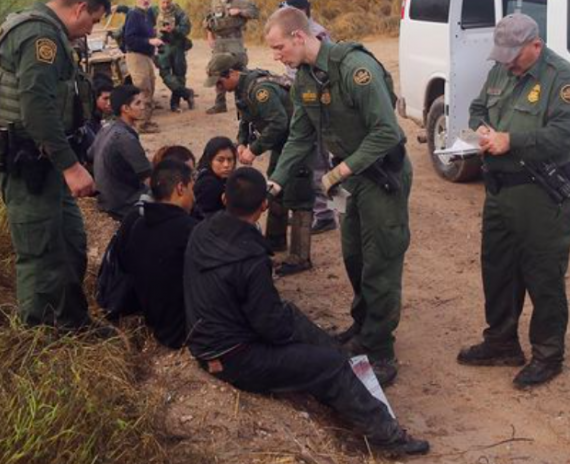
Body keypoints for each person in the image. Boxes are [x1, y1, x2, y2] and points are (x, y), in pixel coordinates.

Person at [182, 167, 429, 457]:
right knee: (328, 365)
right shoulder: (250, 258)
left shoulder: (202, 231)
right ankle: (388, 435)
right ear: (264, 205)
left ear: (224, 199)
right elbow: (270, 326)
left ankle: (345, 360)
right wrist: (300, 339)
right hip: (235, 358)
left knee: (299, 322)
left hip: (206, 342)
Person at [264, 6, 409, 387]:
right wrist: (275, 183)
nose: (276, 56)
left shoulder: (354, 68)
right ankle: (363, 328)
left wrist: (341, 170)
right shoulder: (305, 78)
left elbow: (386, 132)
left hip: (380, 174)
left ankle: (380, 350)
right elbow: (299, 135)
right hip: (350, 177)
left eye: (279, 47)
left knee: (381, 260)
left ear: (299, 36)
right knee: (355, 256)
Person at [457, 13, 570, 389]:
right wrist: (481, 128)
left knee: (543, 273)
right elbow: (479, 106)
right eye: (503, 55)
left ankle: (548, 355)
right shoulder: (502, 70)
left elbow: (564, 135)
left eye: (515, 55)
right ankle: (500, 341)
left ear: (536, 45)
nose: (508, 63)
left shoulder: (563, 81)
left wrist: (511, 140)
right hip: (500, 190)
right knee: (497, 268)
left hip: (540, 194)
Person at [0, 0, 111, 331]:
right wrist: (71, 167)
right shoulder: (41, 37)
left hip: (43, 159)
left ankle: (70, 320)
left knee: (68, 242)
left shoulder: (43, 29)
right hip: (26, 163)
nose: (88, 30)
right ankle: (42, 337)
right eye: (93, 21)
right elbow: (36, 106)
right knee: (41, 252)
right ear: (80, 8)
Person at [206, 52, 314, 274]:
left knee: (299, 193)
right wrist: (241, 143)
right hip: (282, 144)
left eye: (219, 81)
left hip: (298, 141)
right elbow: (245, 119)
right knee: (275, 185)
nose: (218, 87)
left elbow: (279, 124)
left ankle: (300, 257)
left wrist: (254, 150)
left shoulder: (259, 90)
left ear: (232, 73)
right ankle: (274, 242)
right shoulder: (242, 89)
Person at [121, 159, 197, 348]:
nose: (194, 197)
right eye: (192, 190)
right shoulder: (189, 230)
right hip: (181, 330)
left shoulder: (139, 224)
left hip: (152, 319)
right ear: (180, 188)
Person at [279, 0, 337, 235]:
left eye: (287, 11)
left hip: (318, 106)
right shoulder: (296, 31)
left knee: (318, 160)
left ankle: (324, 214)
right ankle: (317, 210)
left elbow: (322, 75)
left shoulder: (316, 35)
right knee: (307, 158)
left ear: (300, 12)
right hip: (304, 100)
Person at [91, 84, 153, 221]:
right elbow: (148, 178)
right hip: (123, 203)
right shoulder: (125, 138)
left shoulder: (106, 128)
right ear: (125, 109)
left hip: (107, 198)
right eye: (138, 103)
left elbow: (90, 155)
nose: (143, 107)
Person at [205, 0, 258, 114]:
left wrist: (240, 11)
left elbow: (254, 12)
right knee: (217, 70)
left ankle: (242, 102)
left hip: (234, 40)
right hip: (220, 41)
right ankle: (220, 103)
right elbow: (210, 19)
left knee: (238, 71)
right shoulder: (215, 0)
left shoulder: (239, 0)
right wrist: (210, 35)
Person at [121, 0, 162, 133]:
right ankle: (140, 125)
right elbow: (129, 39)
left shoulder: (147, 14)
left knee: (150, 86)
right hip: (136, 55)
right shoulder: (133, 15)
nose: (145, 0)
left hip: (146, 55)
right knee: (142, 88)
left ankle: (146, 121)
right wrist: (149, 41)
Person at [155, 0, 195, 113]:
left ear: (171, 0)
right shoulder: (155, 11)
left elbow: (186, 28)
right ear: (159, 1)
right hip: (163, 46)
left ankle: (175, 104)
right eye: (163, 2)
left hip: (177, 45)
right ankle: (187, 93)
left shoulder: (179, 12)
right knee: (165, 74)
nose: (165, 5)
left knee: (179, 75)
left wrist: (174, 29)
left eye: (168, 2)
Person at [192, 136, 237, 220]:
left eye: (230, 159)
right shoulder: (208, 185)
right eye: (220, 160)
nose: (226, 165)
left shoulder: (224, 179)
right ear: (210, 160)